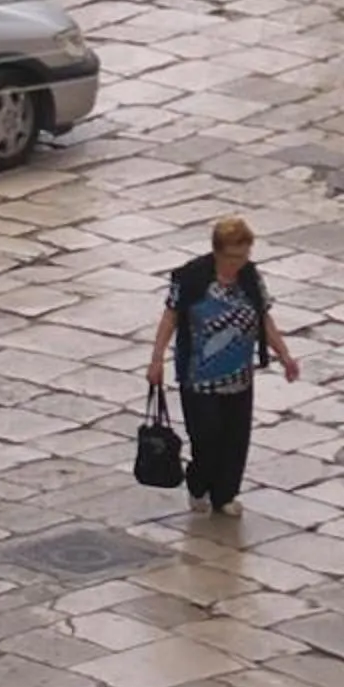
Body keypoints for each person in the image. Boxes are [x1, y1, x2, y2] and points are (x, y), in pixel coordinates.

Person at [147, 214, 299, 519]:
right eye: (232, 257)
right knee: (206, 437)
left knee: (235, 439)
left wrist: (283, 354)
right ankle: (199, 483)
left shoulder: (249, 278)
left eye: (243, 256)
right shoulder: (192, 278)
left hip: (238, 375)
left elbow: (262, 319)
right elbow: (171, 317)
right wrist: (157, 358)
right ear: (217, 252)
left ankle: (225, 494)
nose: (237, 263)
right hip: (199, 376)